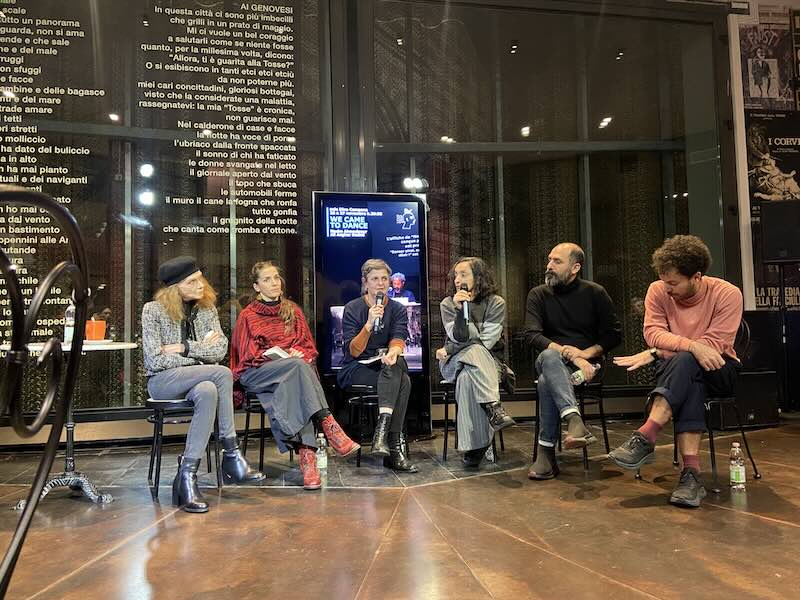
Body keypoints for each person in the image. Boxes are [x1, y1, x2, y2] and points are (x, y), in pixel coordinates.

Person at [608, 235, 743, 508]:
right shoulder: (657, 290)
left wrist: (660, 352)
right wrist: (689, 346)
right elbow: (652, 334)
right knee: (689, 372)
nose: (667, 288)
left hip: (720, 369)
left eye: (673, 283)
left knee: (687, 362)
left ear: (697, 276)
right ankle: (690, 476)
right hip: (680, 373)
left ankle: (647, 435)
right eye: (664, 281)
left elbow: (713, 346)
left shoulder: (727, 294)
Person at [142, 256, 264, 514]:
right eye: (191, 281)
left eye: (200, 278)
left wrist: (184, 347)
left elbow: (219, 350)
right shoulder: (152, 311)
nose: (200, 285)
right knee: (221, 373)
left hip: (199, 379)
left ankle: (186, 476)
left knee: (208, 389)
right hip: (163, 382)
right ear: (175, 288)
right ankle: (231, 454)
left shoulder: (206, 309)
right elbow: (154, 359)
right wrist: (199, 356)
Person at [230, 261, 360, 490]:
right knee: (298, 368)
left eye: (276, 278)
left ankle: (308, 457)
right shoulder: (248, 316)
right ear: (257, 287)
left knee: (297, 377)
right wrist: (286, 358)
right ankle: (328, 424)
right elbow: (246, 356)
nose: (274, 283)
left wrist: (300, 354)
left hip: (291, 376)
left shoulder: (293, 311)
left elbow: (309, 348)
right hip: (257, 373)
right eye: (267, 279)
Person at [524, 243, 622, 480]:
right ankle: (574, 419)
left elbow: (613, 335)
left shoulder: (595, 293)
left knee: (546, 381)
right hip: (553, 360)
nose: (549, 265)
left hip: (589, 368)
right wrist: (569, 354)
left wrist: (584, 354)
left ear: (575, 267)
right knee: (549, 357)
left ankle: (546, 453)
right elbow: (531, 335)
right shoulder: (538, 294)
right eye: (549, 260)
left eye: (557, 261)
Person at [337, 259, 417, 472]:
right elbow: (354, 351)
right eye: (375, 279)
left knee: (395, 365)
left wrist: (393, 352)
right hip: (357, 367)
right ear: (365, 282)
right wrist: (369, 324)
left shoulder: (397, 308)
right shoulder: (353, 308)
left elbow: (399, 337)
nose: (381, 283)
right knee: (403, 381)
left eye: (384, 278)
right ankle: (394, 448)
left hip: (387, 365)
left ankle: (382, 431)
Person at [436, 257, 515, 468]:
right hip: (453, 364)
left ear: (478, 277)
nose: (457, 279)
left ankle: (474, 447)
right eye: (455, 275)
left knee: (467, 377)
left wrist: (449, 348)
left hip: (489, 363)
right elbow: (460, 336)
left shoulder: (496, 303)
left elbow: (487, 342)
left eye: (463, 274)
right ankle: (494, 408)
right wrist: (461, 310)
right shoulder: (447, 304)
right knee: (472, 353)